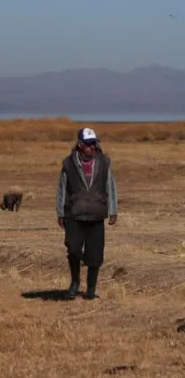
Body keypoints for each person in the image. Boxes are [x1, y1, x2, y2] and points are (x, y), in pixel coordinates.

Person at [55, 127, 118, 300]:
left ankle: (90, 290)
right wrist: (60, 212)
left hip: (96, 214)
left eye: (94, 143)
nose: (92, 147)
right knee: (73, 250)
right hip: (75, 215)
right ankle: (75, 283)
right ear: (80, 144)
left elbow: (110, 187)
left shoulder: (105, 162)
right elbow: (62, 189)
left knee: (95, 256)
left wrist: (113, 211)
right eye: (89, 144)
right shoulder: (68, 164)